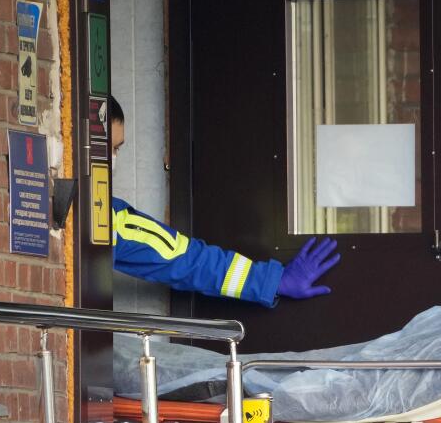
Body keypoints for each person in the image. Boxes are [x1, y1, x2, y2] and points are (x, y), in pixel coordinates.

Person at [107, 96, 339, 306]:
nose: (112, 159)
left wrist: (270, 282)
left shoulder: (110, 219)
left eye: (116, 149)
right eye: (109, 148)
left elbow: (185, 260)